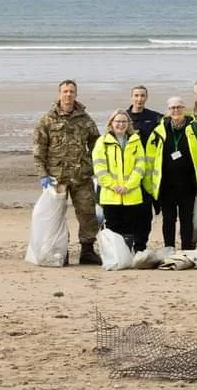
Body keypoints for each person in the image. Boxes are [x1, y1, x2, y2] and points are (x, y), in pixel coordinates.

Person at [33, 80, 102, 265]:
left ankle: (87, 251)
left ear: (76, 94)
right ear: (59, 94)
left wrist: (94, 166)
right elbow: (39, 149)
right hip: (57, 178)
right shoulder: (48, 119)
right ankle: (59, 251)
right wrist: (43, 174)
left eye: (71, 91)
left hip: (82, 176)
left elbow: (97, 143)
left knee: (87, 213)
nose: (68, 94)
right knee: (55, 216)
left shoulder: (85, 119)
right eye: (65, 91)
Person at [144, 97, 197, 252]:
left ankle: (186, 248)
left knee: (187, 219)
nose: (176, 111)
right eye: (172, 108)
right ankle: (169, 247)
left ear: (184, 109)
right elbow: (149, 161)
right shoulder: (159, 131)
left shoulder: (195, 129)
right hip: (166, 185)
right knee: (168, 219)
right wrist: (150, 185)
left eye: (179, 107)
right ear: (168, 111)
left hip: (188, 184)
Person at [92, 110, 147, 248]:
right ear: (111, 123)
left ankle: (127, 254)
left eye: (124, 121)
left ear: (129, 124)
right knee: (112, 227)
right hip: (110, 194)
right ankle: (114, 256)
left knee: (130, 227)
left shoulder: (135, 141)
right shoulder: (102, 141)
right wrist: (113, 185)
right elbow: (99, 167)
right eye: (117, 121)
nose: (121, 124)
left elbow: (140, 166)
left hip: (131, 194)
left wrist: (129, 185)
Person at [126, 85, 162, 256]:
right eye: (136, 95)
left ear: (146, 98)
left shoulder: (155, 118)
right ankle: (127, 244)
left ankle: (141, 245)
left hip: (147, 175)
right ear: (131, 97)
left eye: (142, 96)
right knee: (129, 212)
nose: (139, 99)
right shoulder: (123, 118)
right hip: (127, 172)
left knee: (145, 213)